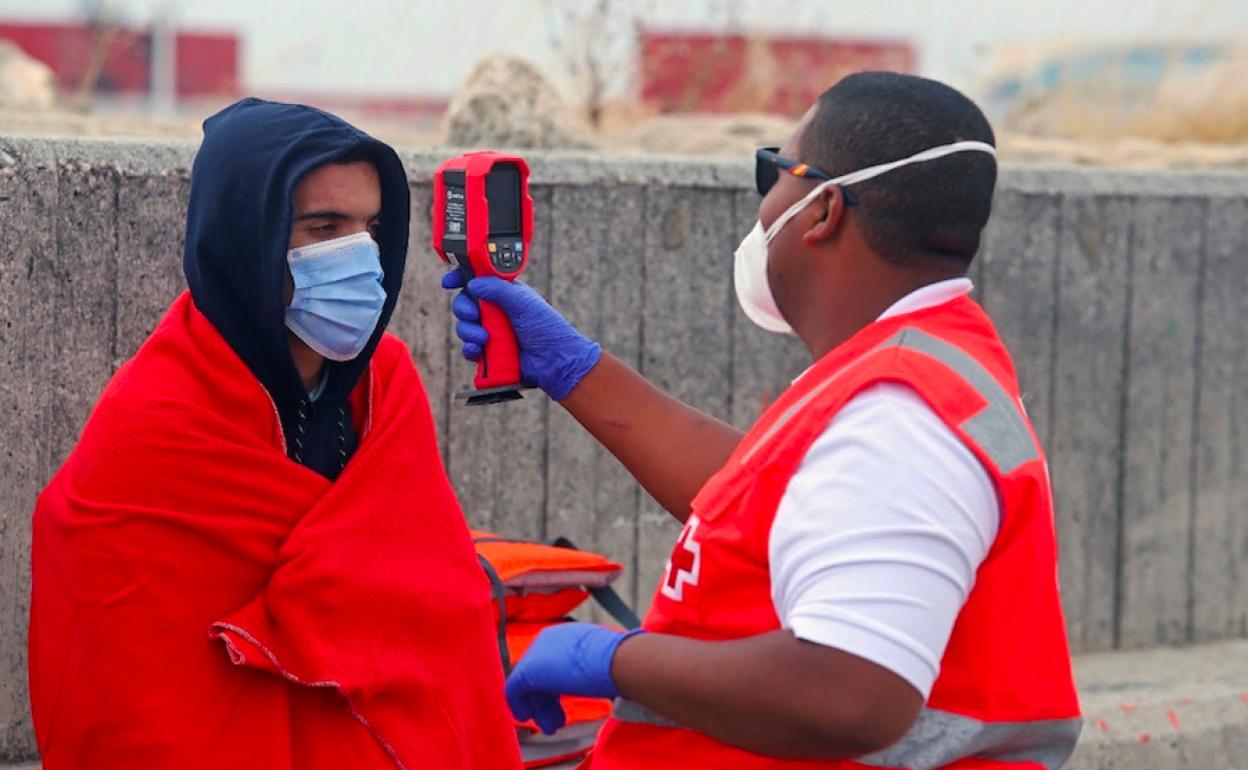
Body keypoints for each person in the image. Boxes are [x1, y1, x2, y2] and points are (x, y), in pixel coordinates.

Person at [446, 72, 1081, 768]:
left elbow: (852, 695)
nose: (766, 201)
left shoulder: (898, 416)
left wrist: (615, 658)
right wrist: (575, 370)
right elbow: (775, 505)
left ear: (822, 210)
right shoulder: (918, 363)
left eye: (773, 171)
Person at [29, 98, 522, 770]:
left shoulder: (386, 386)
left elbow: (436, 607)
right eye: (324, 227)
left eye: (371, 228)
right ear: (248, 238)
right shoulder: (157, 424)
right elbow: (128, 696)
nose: (360, 257)